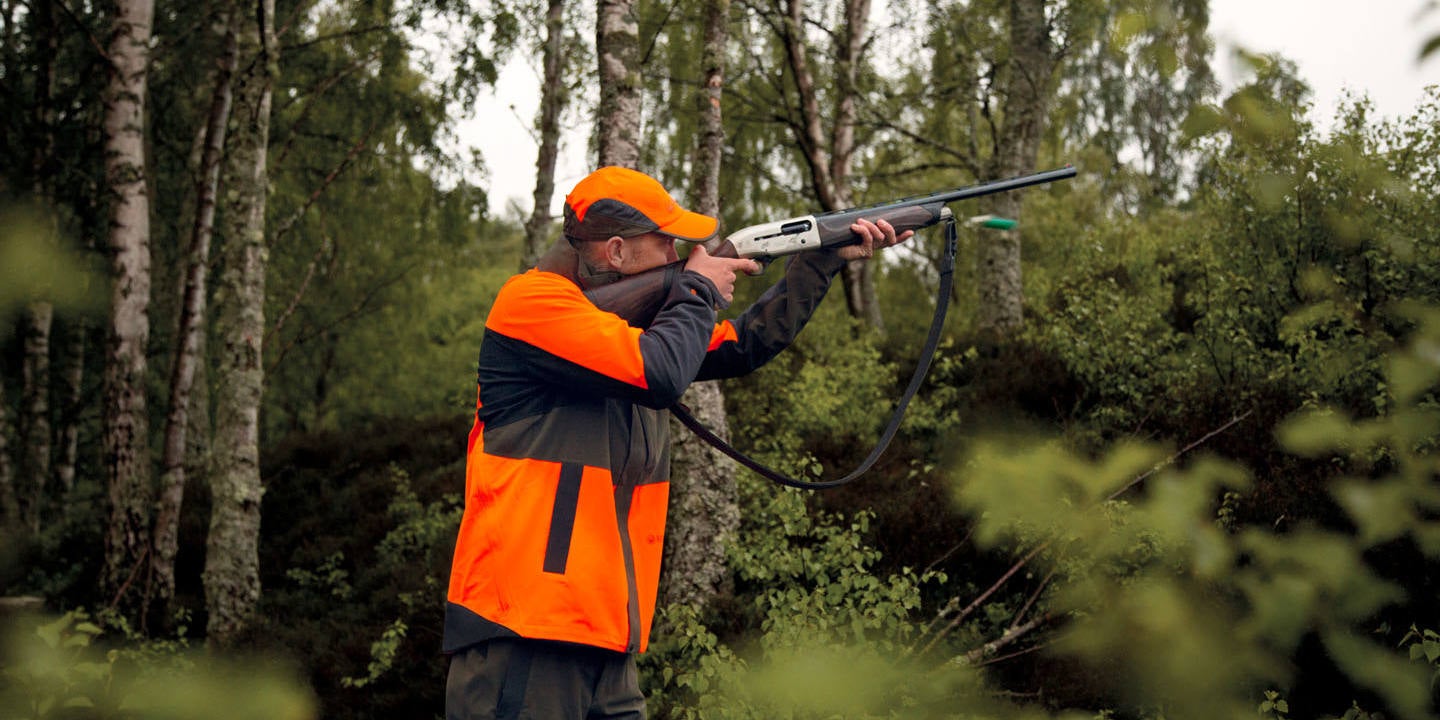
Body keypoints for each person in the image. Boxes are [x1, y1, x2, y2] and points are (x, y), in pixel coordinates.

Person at [444, 166, 911, 719]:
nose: (679, 254)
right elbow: (662, 371)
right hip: (524, 629)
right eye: (666, 242)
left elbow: (741, 345)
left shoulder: (624, 330)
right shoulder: (531, 305)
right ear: (615, 252)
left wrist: (820, 260)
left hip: (607, 638)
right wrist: (698, 289)